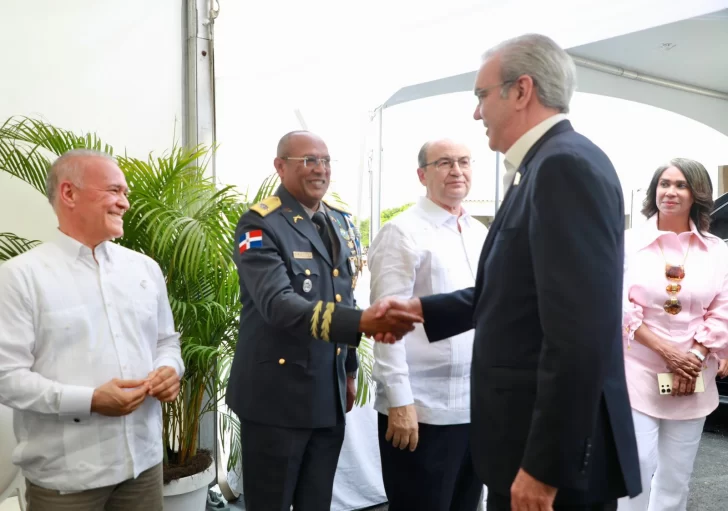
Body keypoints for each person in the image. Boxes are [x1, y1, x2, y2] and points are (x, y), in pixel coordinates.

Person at [376, 34, 642, 511]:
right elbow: (516, 295)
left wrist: (544, 467)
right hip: (523, 444)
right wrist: (420, 309)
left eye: (481, 95)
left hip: (548, 462)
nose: (476, 113)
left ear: (521, 91)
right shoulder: (540, 167)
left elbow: (580, 334)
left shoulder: (563, 167)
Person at [224, 130, 422, 511]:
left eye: (326, 161)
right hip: (276, 399)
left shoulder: (340, 221)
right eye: (308, 161)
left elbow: (341, 294)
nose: (320, 169)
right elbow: (279, 305)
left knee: (317, 502)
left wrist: (348, 371)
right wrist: (361, 322)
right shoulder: (259, 224)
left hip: (326, 393)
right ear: (280, 167)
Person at [0, 149, 184, 511]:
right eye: (115, 191)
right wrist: (90, 401)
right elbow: (6, 377)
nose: (125, 203)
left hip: (143, 468)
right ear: (69, 194)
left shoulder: (144, 269)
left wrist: (170, 370)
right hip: (67, 481)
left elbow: (166, 341)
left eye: (125, 193)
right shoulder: (20, 277)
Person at [368, 139, 488, 510]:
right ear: (422, 174)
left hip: (474, 410)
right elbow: (386, 327)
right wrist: (400, 401)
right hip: (421, 413)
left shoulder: (480, 232)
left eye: (464, 162)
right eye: (444, 163)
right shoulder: (402, 232)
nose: (457, 170)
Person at [618, 159, 728, 511]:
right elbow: (617, 304)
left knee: (676, 477)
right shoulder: (628, 242)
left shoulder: (717, 250)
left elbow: (723, 309)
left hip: (694, 375)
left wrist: (692, 358)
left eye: (681, 185)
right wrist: (669, 353)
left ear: (697, 194)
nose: (670, 192)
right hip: (637, 370)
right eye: (664, 184)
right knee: (637, 465)